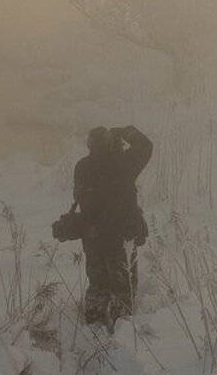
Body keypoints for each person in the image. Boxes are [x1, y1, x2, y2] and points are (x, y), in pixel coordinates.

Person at [55, 124, 151, 330]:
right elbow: (145, 145)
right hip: (120, 237)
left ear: (90, 145)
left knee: (97, 286)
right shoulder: (123, 163)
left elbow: (81, 199)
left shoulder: (82, 167)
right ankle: (122, 335)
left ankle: (94, 329)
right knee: (122, 290)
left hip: (93, 238)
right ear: (112, 143)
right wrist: (124, 130)